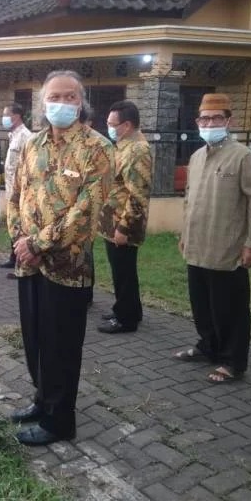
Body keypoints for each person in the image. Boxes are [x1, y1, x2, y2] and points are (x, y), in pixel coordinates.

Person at [7, 70, 113, 446]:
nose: (62, 103)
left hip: (66, 268)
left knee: (61, 346)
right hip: (28, 261)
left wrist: (38, 245)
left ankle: (59, 421)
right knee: (35, 339)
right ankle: (42, 400)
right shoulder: (33, 145)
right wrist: (20, 241)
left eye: (71, 97)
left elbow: (86, 213)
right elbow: (16, 193)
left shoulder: (96, 148)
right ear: (42, 102)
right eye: (55, 96)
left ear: (81, 103)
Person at [174, 93, 251, 385]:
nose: (210, 123)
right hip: (198, 243)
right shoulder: (197, 156)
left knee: (230, 308)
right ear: (197, 121)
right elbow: (190, 199)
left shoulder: (243, 157)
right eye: (204, 118)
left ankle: (233, 361)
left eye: (216, 118)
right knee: (201, 303)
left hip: (228, 248)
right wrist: (184, 234)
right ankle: (208, 347)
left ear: (229, 121)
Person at [98, 100, 152, 334]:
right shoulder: (123, 145)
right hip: (113, 221)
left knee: (124, 272)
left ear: (127, 125)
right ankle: (128, 308)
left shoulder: (138, 150)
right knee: (121, 270)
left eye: (112, 124)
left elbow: (138, 195)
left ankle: (126, 319)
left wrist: (124, 227)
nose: (109, 128)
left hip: (123, 224)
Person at [0, 104, 32, 279]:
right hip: (11, 190)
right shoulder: (13, 135)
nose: (4, 118)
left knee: (21, 227)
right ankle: (13, 257)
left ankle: (22, 265)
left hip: (21, 192)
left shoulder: (26, 136)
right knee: (12, 226)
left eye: (6, 115)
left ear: (17, 116)